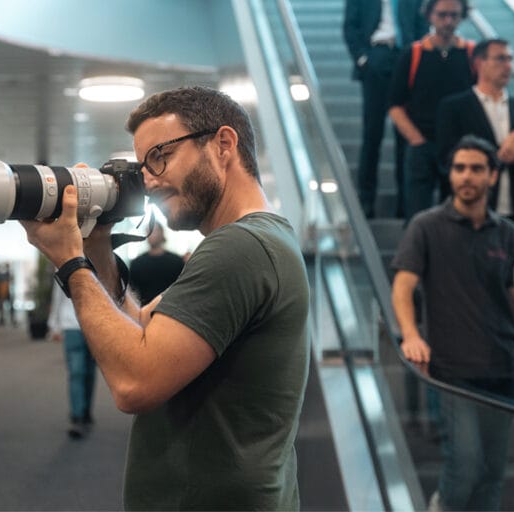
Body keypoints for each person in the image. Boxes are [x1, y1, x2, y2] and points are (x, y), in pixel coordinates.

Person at [20, 86, 310, 510]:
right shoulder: (260, 238)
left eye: (160, 156)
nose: (149, 181)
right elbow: (142, 333)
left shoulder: (239, 248)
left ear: (223, 145)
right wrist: (97, 249)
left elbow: (135, 383)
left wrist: (69, 260)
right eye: (142, 167)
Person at [391, 135, 514, 510]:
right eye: (459, 168)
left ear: (492, 176)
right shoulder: (426, 226)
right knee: (466, 466)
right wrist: (410, 334)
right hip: (452, 372)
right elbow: (403, 287)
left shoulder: (508, 232)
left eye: (476, 169)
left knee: (492, 474)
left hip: (503, 369)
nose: (466, 176)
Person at [437, 38, 514, 252]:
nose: (508, 65)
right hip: (472, 217)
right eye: (500, 59)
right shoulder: (454, 107)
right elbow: (445, 163)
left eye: (510, 59)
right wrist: (499, 157)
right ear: (479, 63)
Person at [389, 0, 475, 221]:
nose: (448, 21)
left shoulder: (471, 54)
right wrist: (416, 140)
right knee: (417, 217)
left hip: (461, 148)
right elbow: (395, 104)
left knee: (460, 218)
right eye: (442, 15)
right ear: (429, 16)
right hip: (422, 144)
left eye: (454, 15)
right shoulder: (413, 54)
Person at [343, 0, 428, 218]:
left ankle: (405, 203)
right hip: (376, 57)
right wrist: (363, 59)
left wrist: (417, 56)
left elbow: (422, 24)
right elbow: (350, 26)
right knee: (373, 133)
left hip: (406, 56)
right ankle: (366, 200)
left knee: (405, 134)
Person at [48, 284, 97, 439]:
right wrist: (54, 325)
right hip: (72, 324)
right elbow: (58, 295)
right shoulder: (64, 260)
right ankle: (77, 417)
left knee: (89, 370)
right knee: (77, 371)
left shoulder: (103, 260)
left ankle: (85, 411)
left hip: (96, 325)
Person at [128, 223, 185, 305]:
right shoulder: (137, 263)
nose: (151, 234)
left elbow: (181, 289)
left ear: (161, 233)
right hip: (144, 311)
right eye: (148, 231)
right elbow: (132, 292)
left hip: (171, 310)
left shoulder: (177, 261)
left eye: (154, 231)